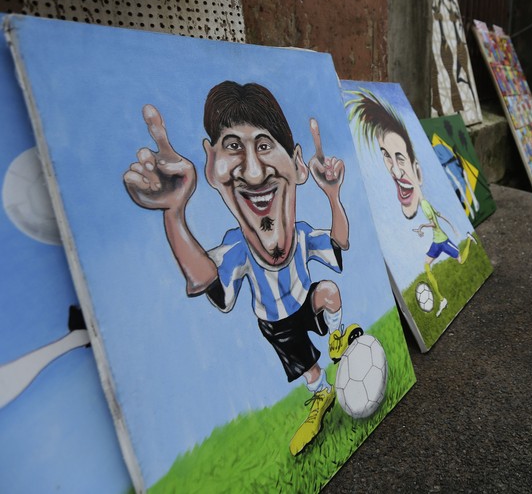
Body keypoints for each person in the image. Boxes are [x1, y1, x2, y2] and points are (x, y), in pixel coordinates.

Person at [123, 81, 361, 456]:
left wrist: (333, 196)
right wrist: (174, 215)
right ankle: (322, 396)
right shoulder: (238, 249)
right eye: (233, 147)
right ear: (211, 167)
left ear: (298, 165)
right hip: (275, 322)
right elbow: (210, 282)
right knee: (309, 372)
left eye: (264, 145)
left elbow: (339, 244)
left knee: (329, 291)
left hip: (305, 300)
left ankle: (337, 336)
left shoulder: (299, 235)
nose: (252, 172)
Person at [346, 88, 474, 317]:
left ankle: (469, 243)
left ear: (418, 172)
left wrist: (452, 227)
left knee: (461, 261)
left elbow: (438, 219)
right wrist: (423, 227)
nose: (394, 170)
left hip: (442, 239)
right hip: (436, 239)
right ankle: (442, 299)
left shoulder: (425, 205)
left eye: (400, 158)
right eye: (386, 155)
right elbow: (433, 222)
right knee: (427, 267)